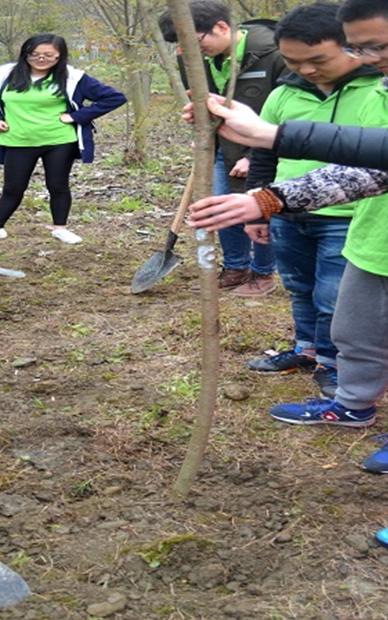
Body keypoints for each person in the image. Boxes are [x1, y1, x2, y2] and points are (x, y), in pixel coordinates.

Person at [186, 0, 388, 475]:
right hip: (376, 239)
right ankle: (351, 404)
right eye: (362, 47)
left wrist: (272, 135)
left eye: (377, 45)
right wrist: (267, 201)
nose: (371, 57)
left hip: (352, 227)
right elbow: (373, 170)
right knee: (352, 329)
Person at [242, 2, 382, 399]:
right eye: (293, 61)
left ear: (349, 45)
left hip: (348, 214)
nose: (306, 69)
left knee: (333, 296)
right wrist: (260, 205)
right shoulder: (285, 91)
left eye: (317, 59)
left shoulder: (376, 89)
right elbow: (264, 152)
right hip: (289, 210)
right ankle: (306, 350)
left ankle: (334, 363)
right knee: (300, 287)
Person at [159, 0, 287, 296]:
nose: (188, 49)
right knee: (220, 206)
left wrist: (254, 155)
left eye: (194, 40)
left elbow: (290, 113)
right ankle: (236, 267)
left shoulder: (273, 54)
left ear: (222, 27)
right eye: (180, 44)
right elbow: (203, 103)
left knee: (261, 206)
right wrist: (203, 135)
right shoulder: (193, 56)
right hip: (221, 146)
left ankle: (264, 274)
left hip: (266, 147)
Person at [0, 33, 126, 245]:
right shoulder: (4, 75)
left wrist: (76, 116)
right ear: (25, 54)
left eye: (49, 55)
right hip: (17, 140)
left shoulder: (72, 77)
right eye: (35, 54)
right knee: (12, 189)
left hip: (58, 141)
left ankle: (61, 228)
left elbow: (114, 97)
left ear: (60, 56)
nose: (41, 59)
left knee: (58, 185)